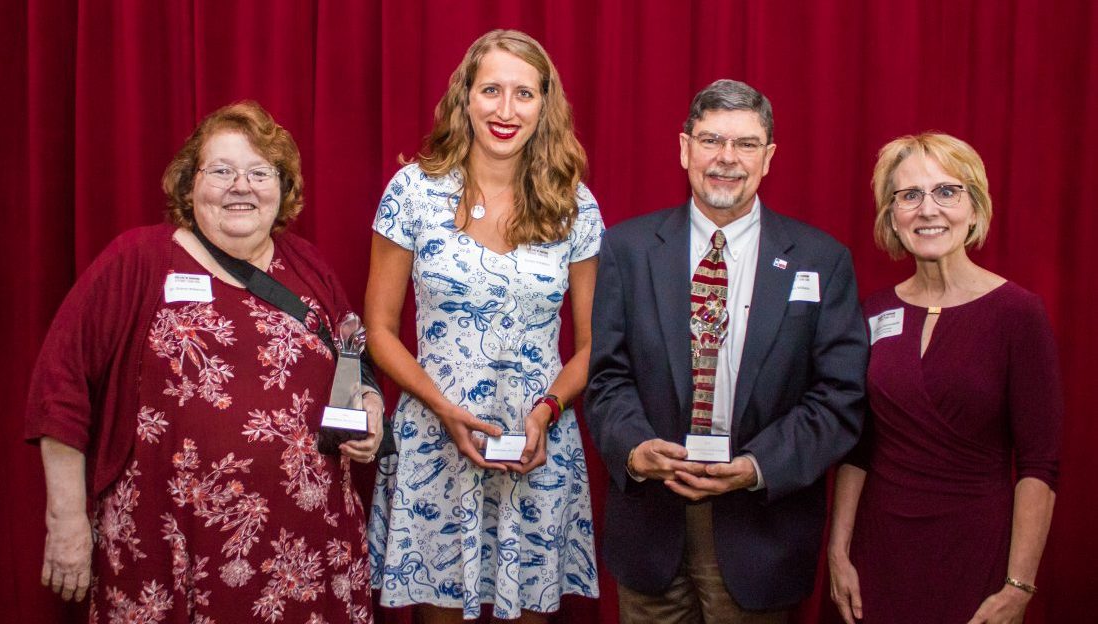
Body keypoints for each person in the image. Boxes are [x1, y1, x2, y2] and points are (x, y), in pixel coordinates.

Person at [25, 101, 383, 623]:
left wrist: (369, 408)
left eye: (259, 172)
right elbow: (60, 386)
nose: (241, 186)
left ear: (282, 187)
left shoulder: (309, 267)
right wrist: (65, 517)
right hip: (169, 550)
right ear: (189, 183)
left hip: (307, 556)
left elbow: (357, 361)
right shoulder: (138, 261)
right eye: (221, 171)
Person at [585, 78, 867, 623]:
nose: (726, 159)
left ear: (769, 157)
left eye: (745, 144)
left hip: (760, 526)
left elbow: (838, 397)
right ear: (685, 147)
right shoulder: (628, 249)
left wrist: (758, 466)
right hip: (651, 522)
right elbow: (607, 378)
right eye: (712, 140)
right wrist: (635, 449)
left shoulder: (821, 259)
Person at [364, 30, 602, 623]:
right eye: (490, 89)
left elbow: (595, 344)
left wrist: (547, 411)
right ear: (464, 97)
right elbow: (379, 328)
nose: (505, 109)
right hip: (435, 439)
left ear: (545, 104)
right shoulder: (412, 193)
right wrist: (442, 408)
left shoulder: (575, 204)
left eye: (524, 93)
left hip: (536, 445)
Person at [827, 133, 1062, 624]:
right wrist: (839, 552)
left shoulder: (1018, 313)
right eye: (909, 195)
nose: (927, 209)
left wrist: (1018, 586)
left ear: (974, 209)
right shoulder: (874, 310)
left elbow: (1039, 463)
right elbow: (858, 447)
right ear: (892, 217)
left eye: (947, 192)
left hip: (977, 555)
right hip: (878, 554)